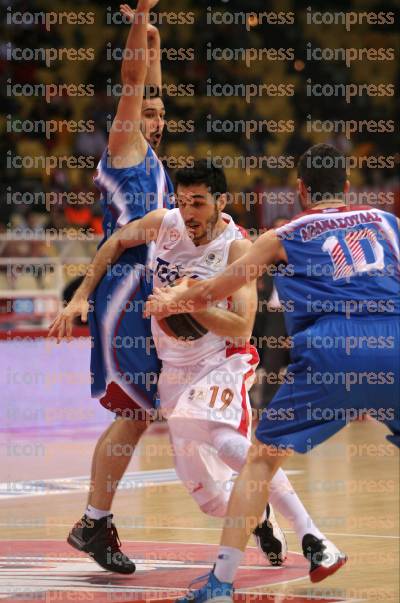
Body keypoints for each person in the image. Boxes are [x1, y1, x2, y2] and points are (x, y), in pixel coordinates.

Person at [51, 160, 344, 571]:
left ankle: (314, 536)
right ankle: (258, 513)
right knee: (208, 497)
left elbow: (241, 329)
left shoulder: (237, 248)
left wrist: (187, 301)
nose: (189, 212)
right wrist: (82, 294)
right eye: (183, 201)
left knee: (227, 442)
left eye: (199, 203)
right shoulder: (164, 222)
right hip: (175, 373)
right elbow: (114, 243)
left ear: (221, 202)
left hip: (220, 362)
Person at [146, 143, 400, 600]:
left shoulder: (283, 234)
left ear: (301, 191)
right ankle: (309, 540)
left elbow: (220, 288)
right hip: (395, 340)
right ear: (346, 188)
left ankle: (220, 583)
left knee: (259, 462)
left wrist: (173, 298)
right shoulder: (387, 222)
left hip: (332, 348)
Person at [49, 0, 174, 574]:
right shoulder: (124, 148)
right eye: (148, 109)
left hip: (148, 286)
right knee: (133, 410)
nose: (155, 113)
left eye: (160, 109)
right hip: (123, 286)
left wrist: (150, 34)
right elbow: (132, 83)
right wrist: (136, 25)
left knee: (143, 412)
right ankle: (94, 522)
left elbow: (146, 82)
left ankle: (95, 520)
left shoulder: (151, 155)